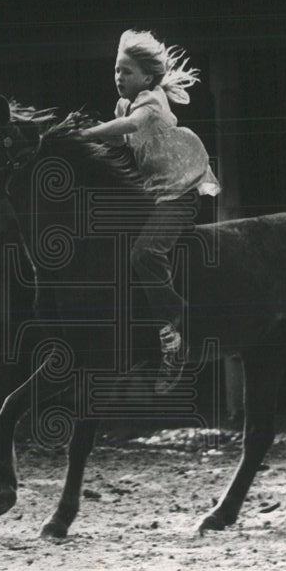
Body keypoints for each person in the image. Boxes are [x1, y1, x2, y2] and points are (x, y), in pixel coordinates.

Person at [77, 29, 221, 393]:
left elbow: (130, 127)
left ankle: (179, 329)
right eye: (116, 70)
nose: (118, 78)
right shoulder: (124, 105)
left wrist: (85, 134)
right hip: (155, 192)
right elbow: (118, 136)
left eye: (126, 71)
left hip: (181, 190)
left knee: (145, 251)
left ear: (148, 77)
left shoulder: (152, 101)